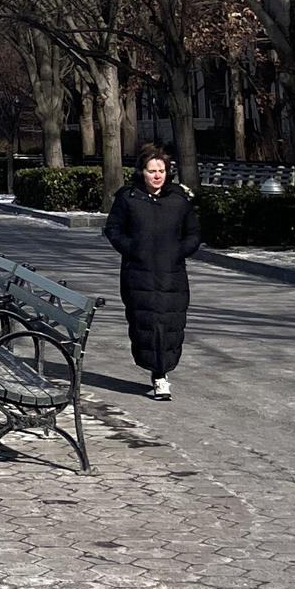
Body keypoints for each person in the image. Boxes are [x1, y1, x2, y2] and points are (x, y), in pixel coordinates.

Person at [103, 144, 201, 400]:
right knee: (146, 325)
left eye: (162, 170)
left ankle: (162, 372)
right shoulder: (128, 198)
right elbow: (113, 229)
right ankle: (157, 373)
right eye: (151, 171)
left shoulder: (179, 199)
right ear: (142, 172)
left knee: (170, 325)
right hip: (138, 275)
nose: (157, 176)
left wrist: (179, 251)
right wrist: (132, 248)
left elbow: (193, 234)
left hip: (172, 275)